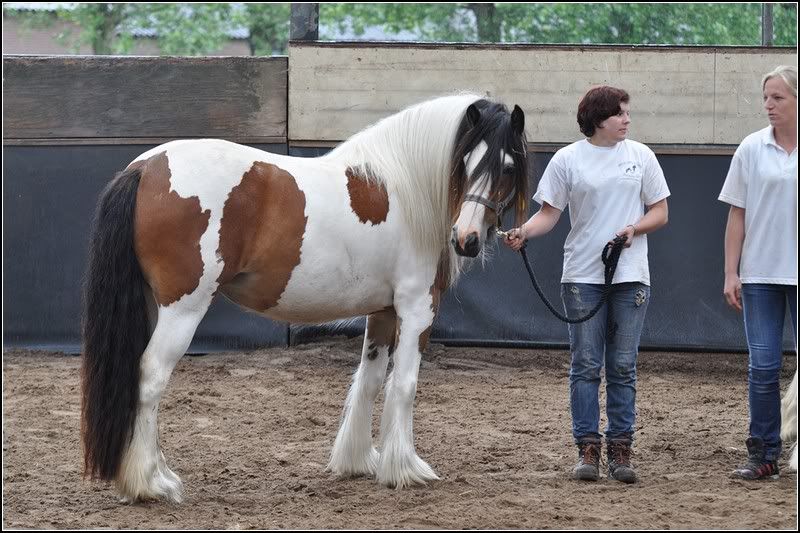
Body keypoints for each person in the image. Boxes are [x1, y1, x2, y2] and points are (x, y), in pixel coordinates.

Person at [503, 85, 670, 483]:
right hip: (582, 276)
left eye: (626, 112)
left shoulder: (641, 156)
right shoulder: (568, 160)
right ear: (598, 119)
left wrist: (634, 229)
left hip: (630, 276)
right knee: (586, 364)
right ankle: (588, 448)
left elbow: (660, 211)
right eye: (620, 113)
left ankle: (621, 448)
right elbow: (550, 213)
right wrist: (524, 231)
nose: (627, 119)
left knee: (623, 365)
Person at [719, 65, 797, 480]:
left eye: (778, 98)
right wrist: (731, 272)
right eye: (766, 97)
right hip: (760, 276)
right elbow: (738, 214)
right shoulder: (751, 148)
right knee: (763, 368)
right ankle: (764, 453)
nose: (768, 105)